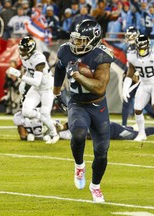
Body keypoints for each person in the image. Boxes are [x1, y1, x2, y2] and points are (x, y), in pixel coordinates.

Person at [53, 19, 113, 203]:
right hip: (77, 103)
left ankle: (95, 186)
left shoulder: (102, 56)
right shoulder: (65, 50)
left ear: (94, 40)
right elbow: (59, 68)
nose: (77, 44)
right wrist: (56, 92)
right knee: (78, 134)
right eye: (76, 39)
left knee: (102, 151)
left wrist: (77, 75)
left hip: (98, 106)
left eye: (82, 40)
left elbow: (100, 88)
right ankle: (79, 165)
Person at [8, 36, 59, 144]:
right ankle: (44, 119)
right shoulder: (25, 57)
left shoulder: (38, 58)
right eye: (21, 48)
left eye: (24, 49)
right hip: (36, 88)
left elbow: (37, 81)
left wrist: (20, 76)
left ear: (30, 49)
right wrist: (23, 82)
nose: (21, 51)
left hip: (47, 88)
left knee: (45, 114)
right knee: (26, 111)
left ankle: (54, 134)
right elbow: (29, 71)